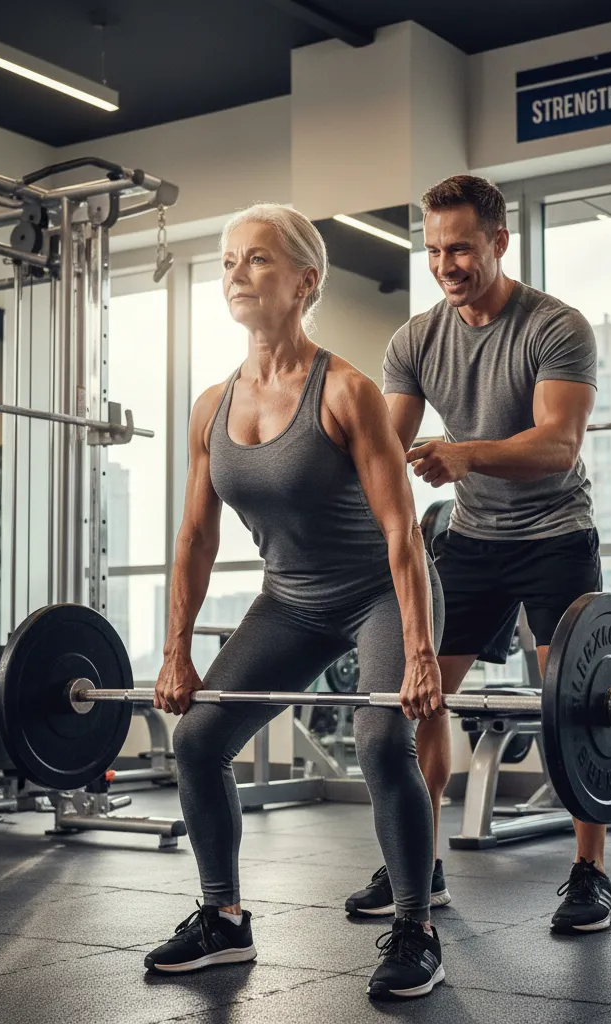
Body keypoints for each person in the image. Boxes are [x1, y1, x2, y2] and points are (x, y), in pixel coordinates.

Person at [145, 203, 448, 1000]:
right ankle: (223, 919)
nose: (237, 274)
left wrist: (419, 655)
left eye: (258, 260)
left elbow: (402, 533)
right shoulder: (212, 405)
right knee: (199, 740)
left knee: (382, 740)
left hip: (381, 590)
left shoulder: (346, 392)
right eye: (228, 262)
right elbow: (195, 540)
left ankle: (416, 926)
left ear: (305, 281)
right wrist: (177, 649)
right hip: (293, 601)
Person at [345, 174, 611, 934]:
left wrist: (465, 456)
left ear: (500, 241)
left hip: (556, 536)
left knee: (572, 705)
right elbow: (388, 445)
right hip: (471, 540)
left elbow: (559, 445)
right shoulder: (416, 339)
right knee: (418, 694)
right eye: (432, 250)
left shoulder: (555, 326)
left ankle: (589, 872)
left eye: (460, 247)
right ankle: (418, 863)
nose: (446, 264)